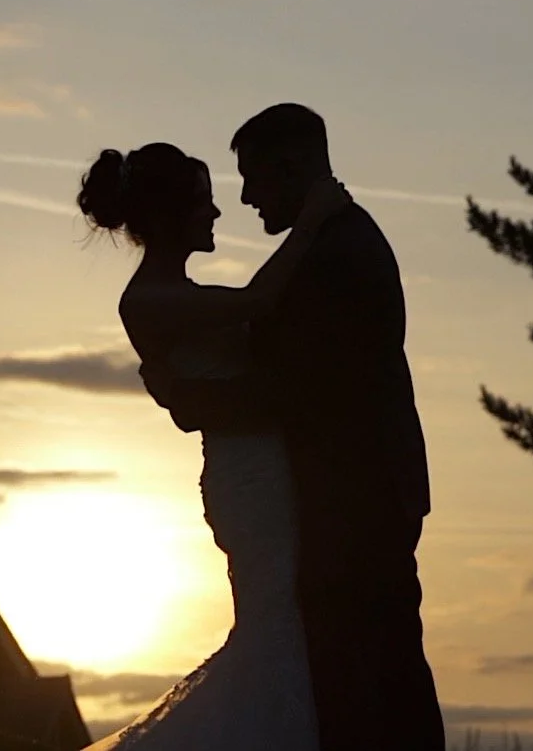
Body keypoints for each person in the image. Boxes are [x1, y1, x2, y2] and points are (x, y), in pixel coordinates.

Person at [142, 104, 445, 751]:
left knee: (371, 675)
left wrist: (190, 401)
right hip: (339, 498)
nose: (244, 197)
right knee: (359, 673)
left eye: (252, 177)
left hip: (354, 501)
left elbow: (305, 391)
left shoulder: (335, 253)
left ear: (290, 166)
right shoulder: (325, 246)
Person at [73, 141, 348, 751]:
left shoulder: (180, 293)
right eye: (205, 203)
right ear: (173, 216)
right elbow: (256, 302)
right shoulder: (146, 298)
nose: (218, 214)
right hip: (249, 478)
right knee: (274, 624)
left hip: (264, 468)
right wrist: (310, 225)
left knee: (283, 619)